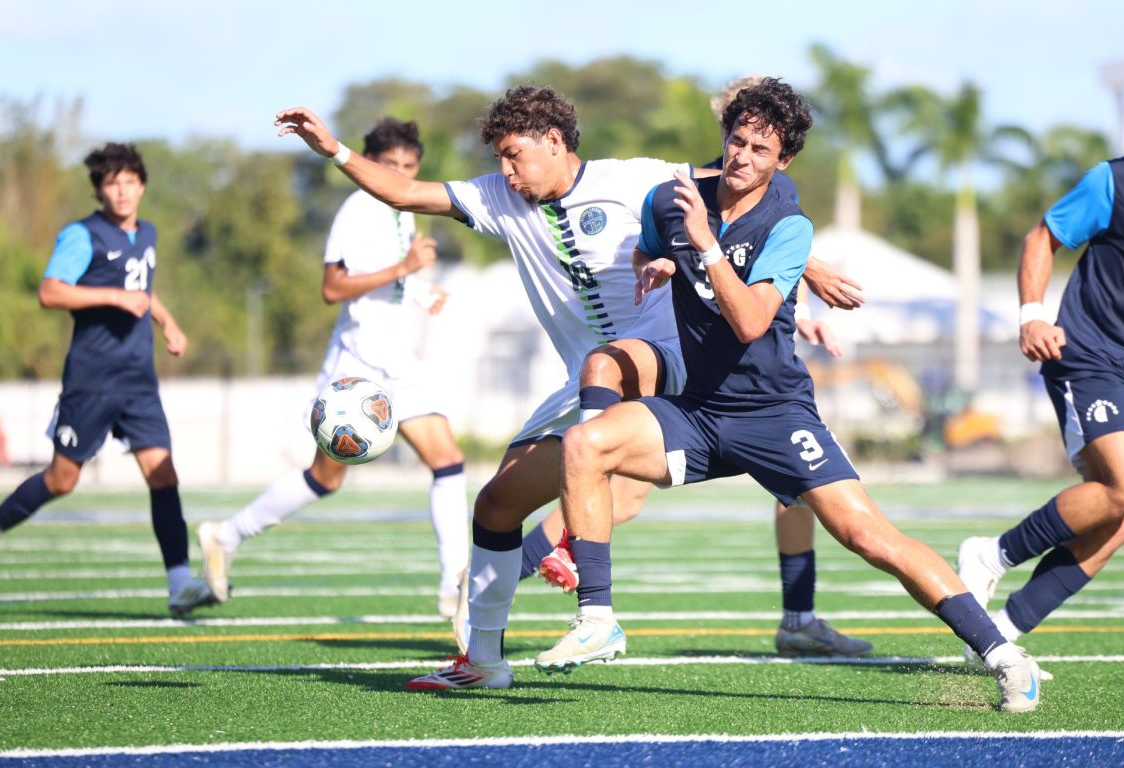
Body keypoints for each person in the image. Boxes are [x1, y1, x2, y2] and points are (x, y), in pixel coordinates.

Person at [277, 86, 860, 692]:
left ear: (553, 142)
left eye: (513, 155)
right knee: (496, 505)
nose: (504, 169)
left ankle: (604, 594)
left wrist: (805, 268)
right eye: (500, 157)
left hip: (668, 357)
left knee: (608, 397)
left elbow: (760, 187)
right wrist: (335, 150)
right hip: (587, 379)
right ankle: (483, 661)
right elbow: (404, 191)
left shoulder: (635, 179)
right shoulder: (499, 197)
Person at [537, 78, 1040, 712]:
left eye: (760, 150)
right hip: (699, 412)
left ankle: (1004, 655)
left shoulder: (789, 224)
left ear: (784, 162)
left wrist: (705, 245)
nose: (742, 157)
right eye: (736, 141)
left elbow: (750, 322)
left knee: (868, 536)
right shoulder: (670, 201)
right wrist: (655, 262)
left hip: (775, 415)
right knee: (584, 443)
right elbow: (648, 243)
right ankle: (597, 619)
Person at [519, 76, 871, 660]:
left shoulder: (759, 182)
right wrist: (812, 267)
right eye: (741, 127)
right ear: (731, 124)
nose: (747, 148)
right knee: (617, 484)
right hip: (696, 356)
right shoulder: (703, 181)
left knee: (796, 497)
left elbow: (762, 247)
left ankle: (799, 617)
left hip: (749, 355)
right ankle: (518, 566)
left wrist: (804, 288)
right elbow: (720, 240)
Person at [955, 63, 1124, 662]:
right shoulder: (1122, 181)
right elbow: (1043, 236)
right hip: (1085, 353)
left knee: (1119, 517)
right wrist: (1031, 315)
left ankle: (1000, 635)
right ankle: (991, 554)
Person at [198, 118, 470, 645]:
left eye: (410, 168)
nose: (401, 175)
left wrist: (420, 291)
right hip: (357, 369)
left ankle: (452, 583)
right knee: (325, 479)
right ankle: (225, 534)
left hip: (398, 361)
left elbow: (398, 275)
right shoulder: (356, 208)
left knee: (449, 460)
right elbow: (333, 287)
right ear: (368, 163)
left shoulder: (405, 211)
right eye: (390, 166)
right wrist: (404, 270)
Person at [0, 143, 215, 616]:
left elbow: (144, 292)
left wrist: (168, 322)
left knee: (164, 474)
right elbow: (50, 292)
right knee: (61, 480)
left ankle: (180, 584)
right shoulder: (83, 235)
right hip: (91, 381)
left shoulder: (149, 233)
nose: (122, 191)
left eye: (129, 181)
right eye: (112, 183)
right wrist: (115, 299)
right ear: (99, 190)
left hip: (139, 381)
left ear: (142, 185)